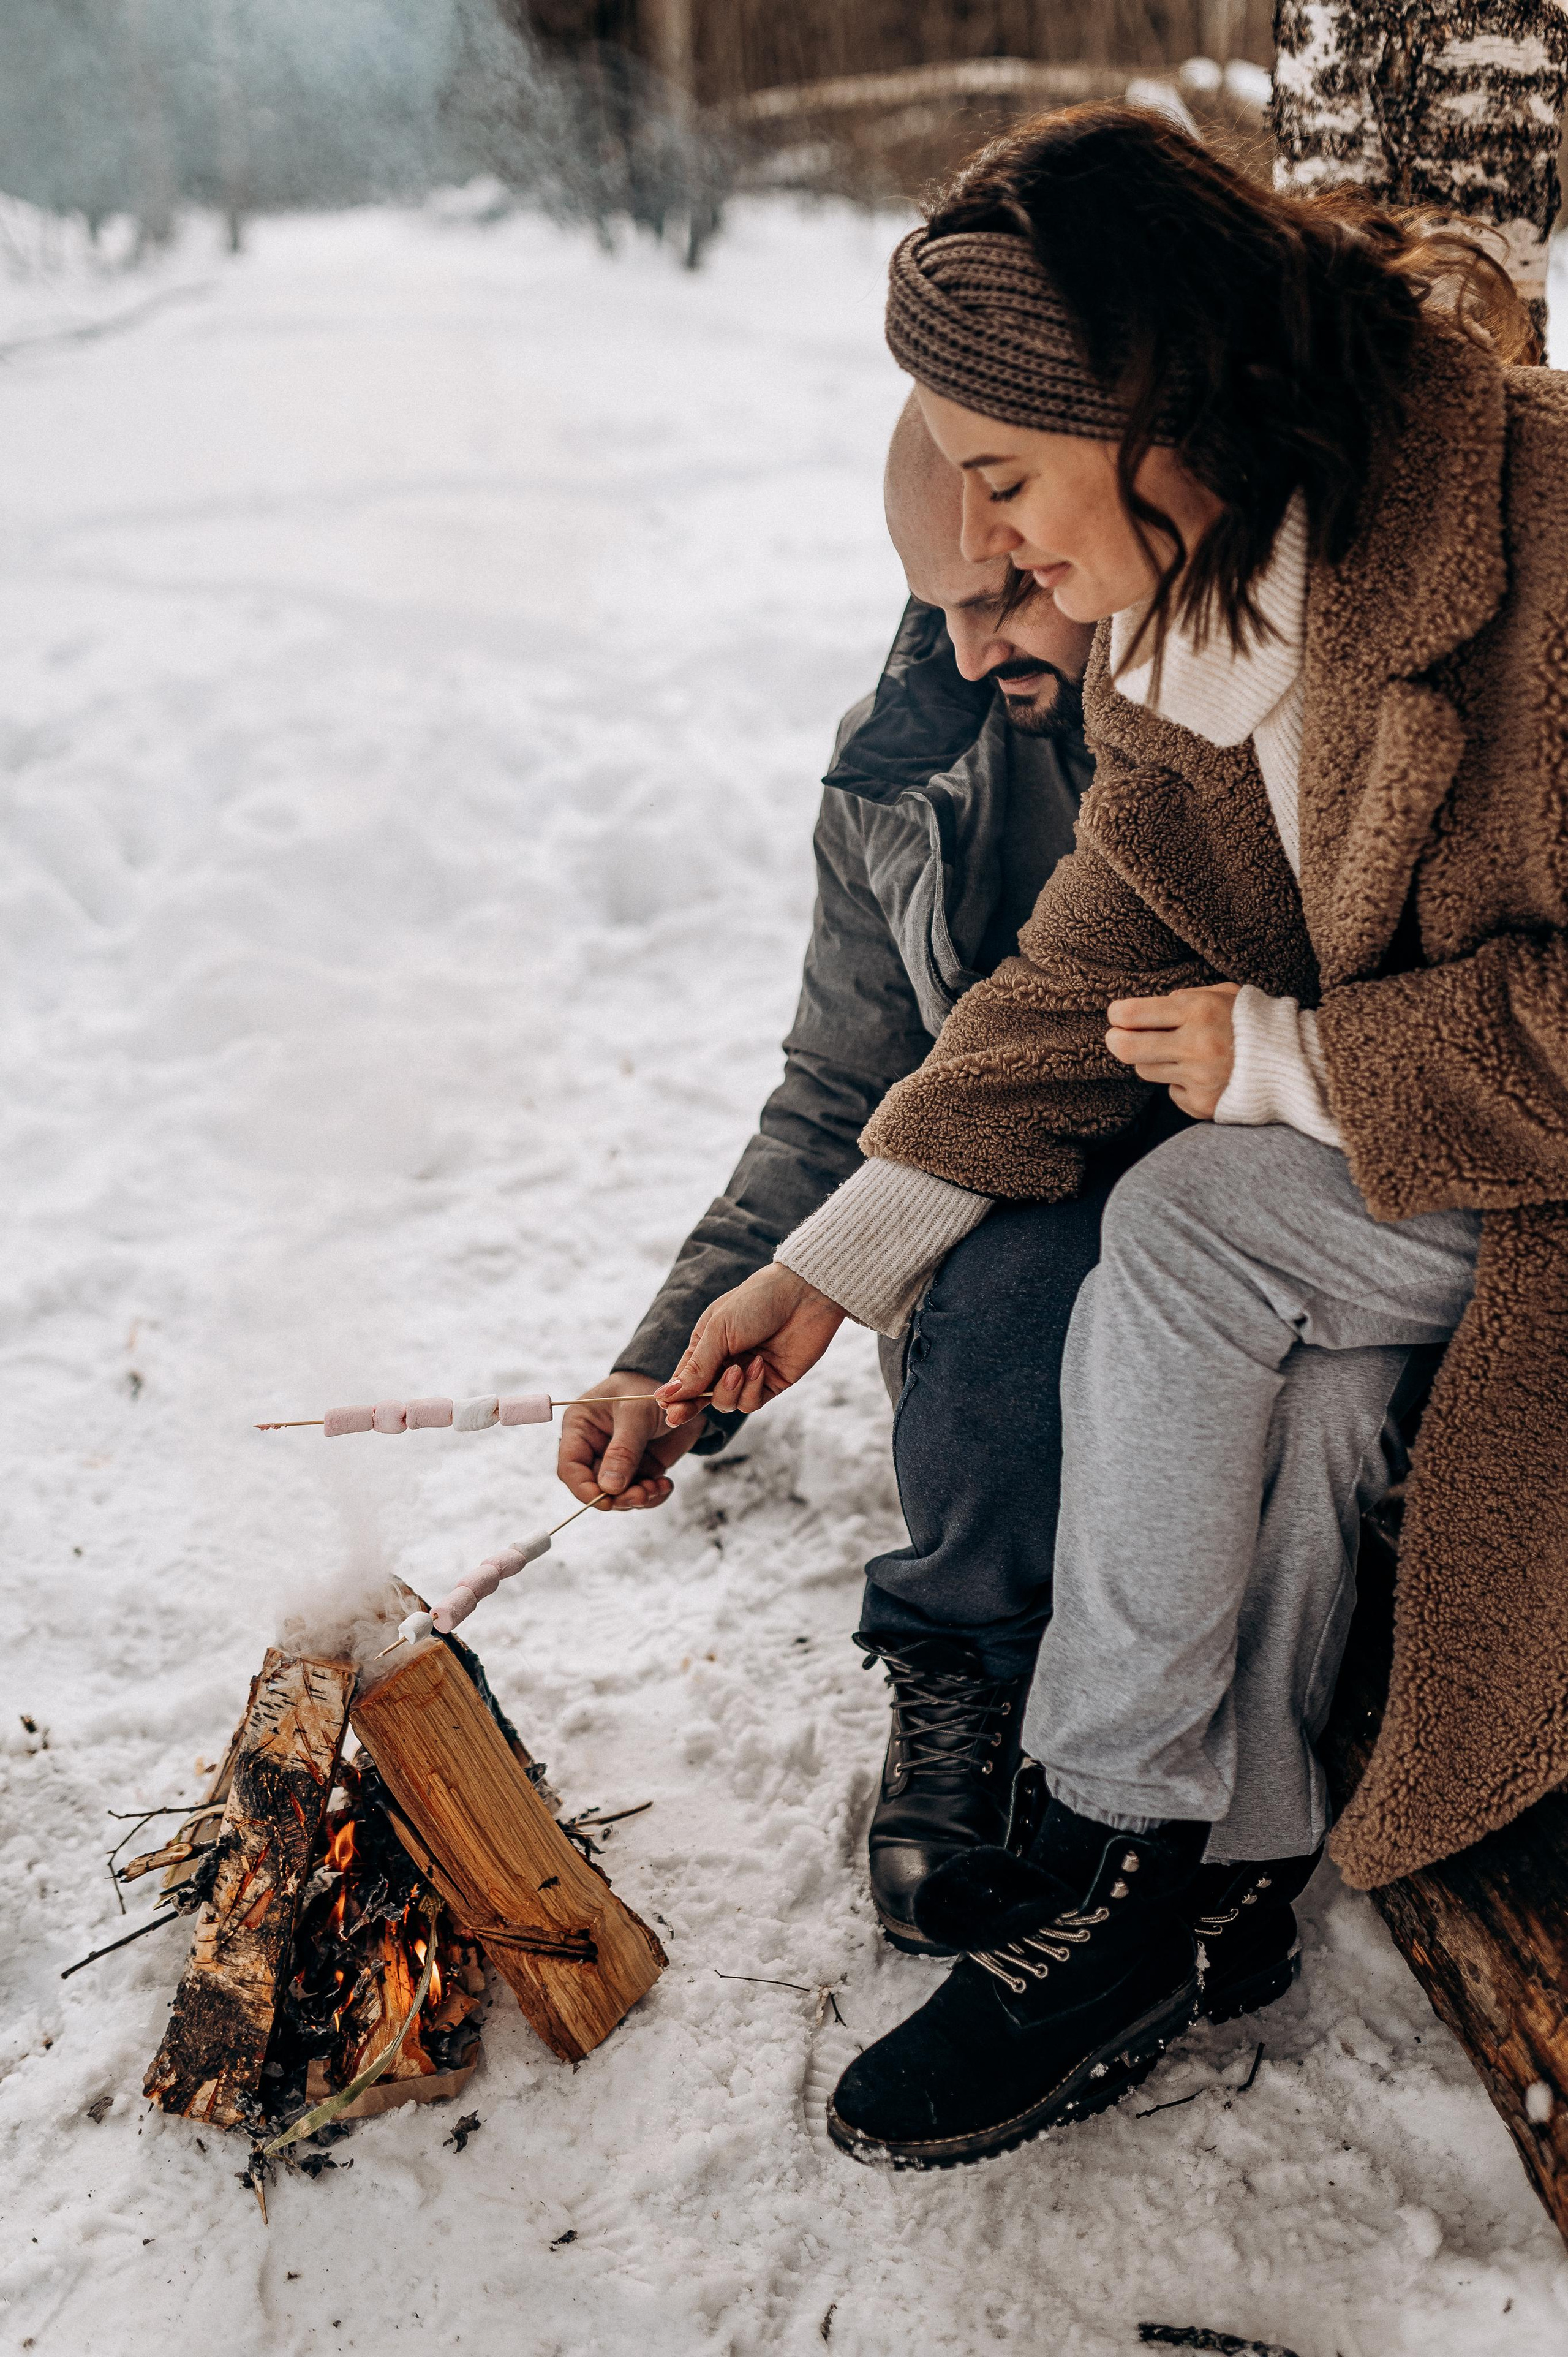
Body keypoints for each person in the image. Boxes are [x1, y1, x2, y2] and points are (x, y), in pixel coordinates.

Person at [657, 105, 1565, 2168]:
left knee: (1201, 1223)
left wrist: (1301, 1065)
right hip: (1483, 1173)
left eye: (1005, 486)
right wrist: (821, 1268)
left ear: (1153, 410)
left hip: (1527, 1153)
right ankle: (1223, 1879)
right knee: (1310, 1374)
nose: (1004, 560)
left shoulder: (1545, 528)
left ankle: (1109, 1851)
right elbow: (1075, 976)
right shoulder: (1199, 631)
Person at [559, 403, 1117, 1949]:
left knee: (1038, 1248)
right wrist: (659, 1355)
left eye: (1002, 592)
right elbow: (835, 1089)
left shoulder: (1205, 715)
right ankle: (965, 1681)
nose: (959, 648)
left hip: (1226, 1186)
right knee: (998, 1251)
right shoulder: (902, 767)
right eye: (932, 600)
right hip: (973, 1218)